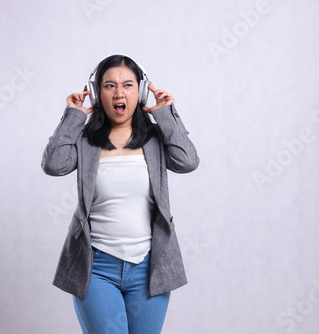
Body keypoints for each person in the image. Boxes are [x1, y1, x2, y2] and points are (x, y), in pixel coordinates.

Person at [41, 54, 199, 333]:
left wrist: (166, 113)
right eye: (109, 85)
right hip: (96, 268)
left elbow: (187, 162)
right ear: (96, 92)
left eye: (127, 85)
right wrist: (74, 116)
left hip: (150, 269)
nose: (118, 93)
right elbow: (54, 165)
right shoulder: (85, 139)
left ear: (139, 91)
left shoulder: (154, 138)